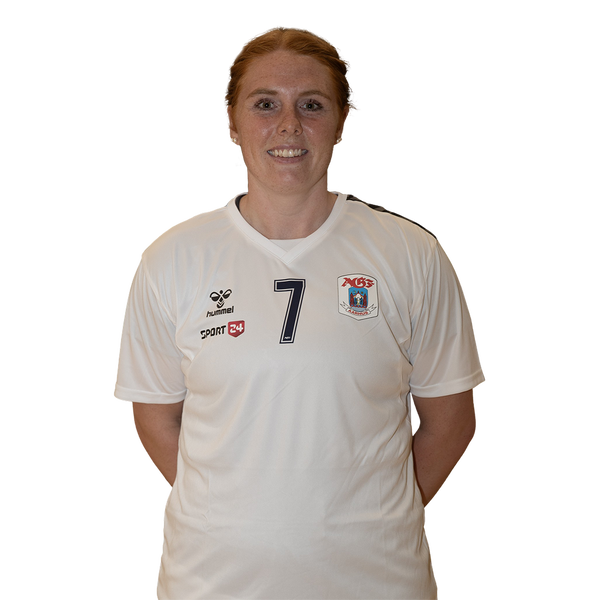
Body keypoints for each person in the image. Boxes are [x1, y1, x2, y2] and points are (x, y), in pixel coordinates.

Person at [112, 22, 488, 599]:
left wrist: (373, 520)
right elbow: (156, 419)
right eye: (265, 104)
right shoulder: (170, 256)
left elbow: (452, 421)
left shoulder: (413, 254)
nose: (288, 125)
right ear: (230, 121)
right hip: (210, 584)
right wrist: (237, 518)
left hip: (378, 584)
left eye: (312, 104)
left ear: (344, 121)